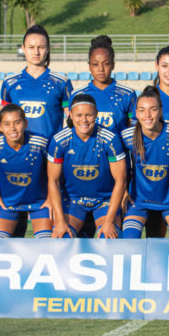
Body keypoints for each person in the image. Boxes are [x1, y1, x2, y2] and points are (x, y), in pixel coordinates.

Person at [47, 94, 127, 238]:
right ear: (70, 114)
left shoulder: (110, 139)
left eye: (89, 115)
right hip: (73, 200)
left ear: (96, 114)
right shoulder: (60, 141)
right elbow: (54, 181)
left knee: (109, 237)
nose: (84, 120)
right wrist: (59, 220)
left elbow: (120, 181)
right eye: (78, 115)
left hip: (104, 200)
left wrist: (109, 221)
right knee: (62, 237)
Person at [120, 87, 169, 239]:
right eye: (142, 110)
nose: (147, 115)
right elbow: (120, 170)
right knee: (129, 239)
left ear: (160, 111)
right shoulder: (127, 136)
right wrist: (124, 191)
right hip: (138, 201)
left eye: (152, 109)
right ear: (136, 113)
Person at [0, 104, 53, 238]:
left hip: (40, 202)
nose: (13, 128)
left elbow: (55, 172)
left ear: (25, 123)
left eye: (17, 122)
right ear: (0, 126)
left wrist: (50, 198)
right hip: (8, 203)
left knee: (46, 242)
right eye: (7, 124)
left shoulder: (41, 142)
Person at [1, 24, 73, 139]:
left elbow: (73, 121)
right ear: (23, 48)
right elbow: (4, 121)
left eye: (41, 47)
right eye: (31, 47)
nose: (36, 52)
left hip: (49, 153)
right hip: (19, 152)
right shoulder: (10, 82)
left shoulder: (61, 82)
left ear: (48, 48)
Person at [71, 35, 136, 138]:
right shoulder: (77, 95)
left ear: (113, 65)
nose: (101, 69)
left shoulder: (127, 94)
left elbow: (132, 131)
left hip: (118, 153)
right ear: (89, 66)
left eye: (106, 64)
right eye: (95, 64)